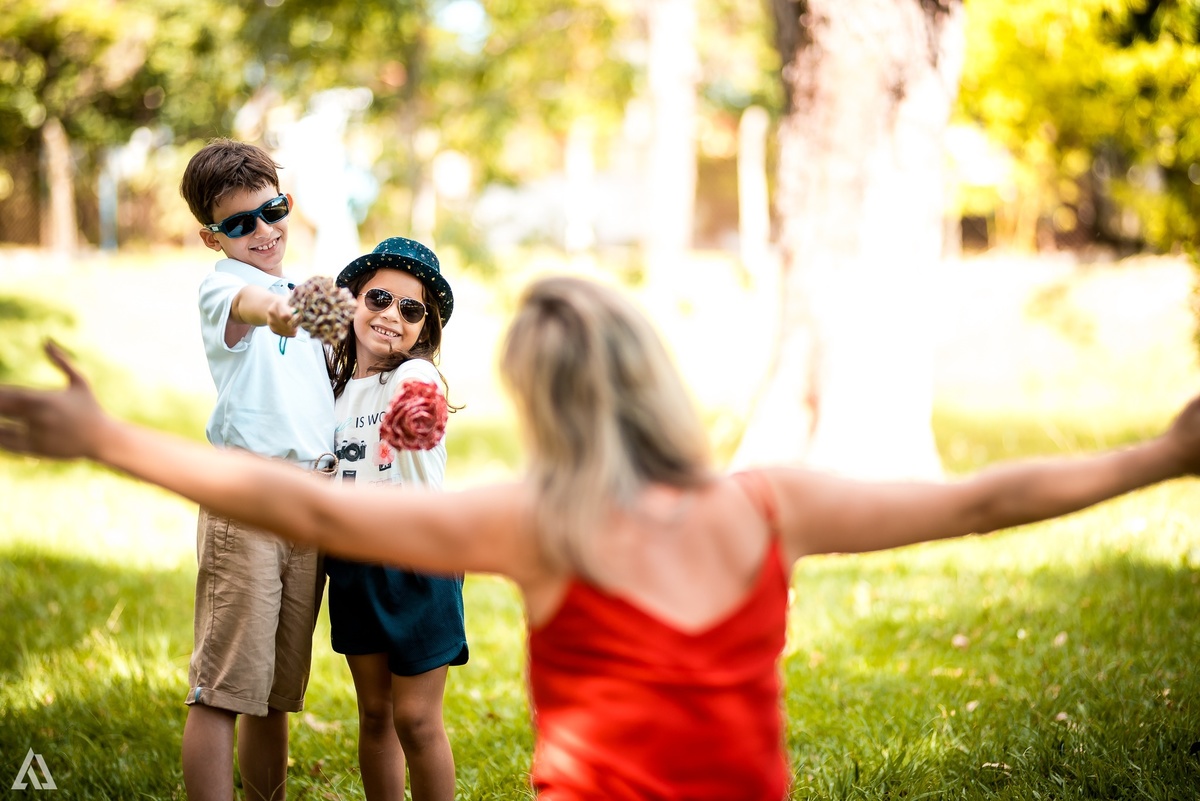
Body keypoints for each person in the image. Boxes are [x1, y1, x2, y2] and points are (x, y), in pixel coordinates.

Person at [3, 275, 1200, 801]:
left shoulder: (539, 526)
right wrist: (1163, 456)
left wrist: (107, 440)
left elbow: (310, 508)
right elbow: (988, 500)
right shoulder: (770, 506)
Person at [177, 138, 335, 801]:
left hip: (312, 505)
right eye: (241, 224)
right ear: (213, 237)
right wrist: (291, 307)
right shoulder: (226, 287)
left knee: (274, 695)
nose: (264, 232)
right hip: (248, 504)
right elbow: (257, 308)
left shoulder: (300, 289)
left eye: (273, 210)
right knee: (224, 688)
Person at [325, 236, 468, 800]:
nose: (391, 316)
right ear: (354, 301)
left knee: (416, 719)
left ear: (424, 329)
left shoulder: (419, 379)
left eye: (411, 310)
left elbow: (420, 421)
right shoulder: (331, 391)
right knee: (375, 715)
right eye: (380, 299)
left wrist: (414, 411)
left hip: (419, 562)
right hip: (355, 567)